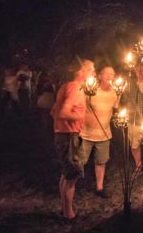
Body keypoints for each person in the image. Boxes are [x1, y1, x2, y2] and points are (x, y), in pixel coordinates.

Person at [51, 59, 94, 220]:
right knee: (72, 177)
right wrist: (81, 116)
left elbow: (53, 110)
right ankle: (69, 214)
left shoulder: (65, 86)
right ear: (81, 72)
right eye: (91, 70)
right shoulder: (76, 88)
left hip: (62, 135)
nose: (93, 73)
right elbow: (61, 113)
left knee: (66, 174)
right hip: (69, 137)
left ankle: (65, 210)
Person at [80, 66, 118, 198]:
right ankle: (73, 185)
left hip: (104, 135)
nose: (109, 76)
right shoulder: (91, 90)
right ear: (100, 76)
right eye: (106, 73)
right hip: (86, 134)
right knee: (80, 162)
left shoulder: (115, 92)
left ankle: (99, 187)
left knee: (101, 162)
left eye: (112, 74)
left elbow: (116, 109)